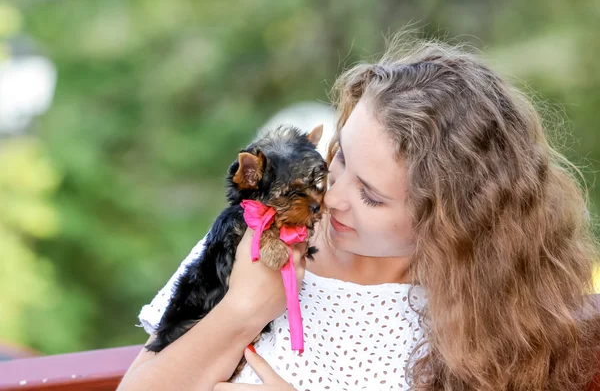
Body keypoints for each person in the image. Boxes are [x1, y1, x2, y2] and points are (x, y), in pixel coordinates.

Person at [118, 36, 600, 391]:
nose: (332, 196)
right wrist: (243, 310)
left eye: (371, 196)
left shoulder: (493, 314)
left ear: (452, 221)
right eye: (342, 156)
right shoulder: (255, 234)